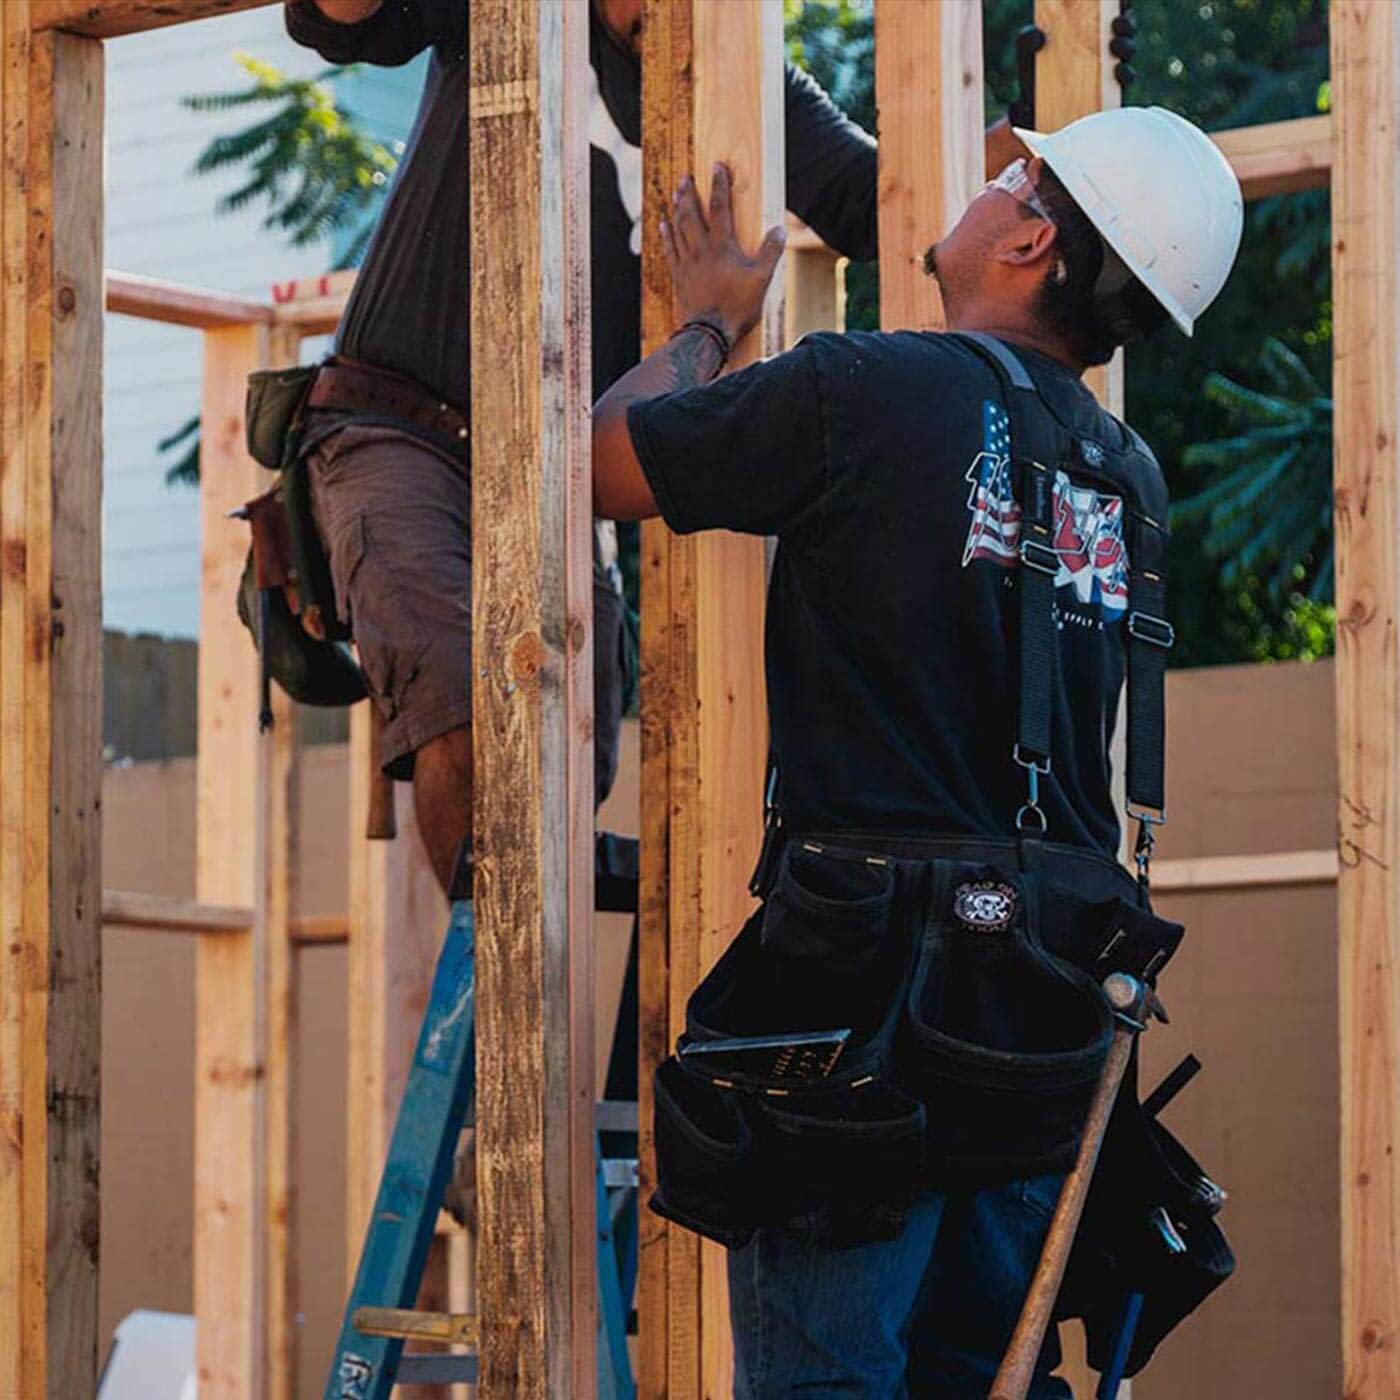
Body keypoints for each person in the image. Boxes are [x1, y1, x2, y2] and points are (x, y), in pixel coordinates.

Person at [593, 108, 1243, 1397]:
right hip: (1041, 1009)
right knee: (978, 1375)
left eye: (1013, 174)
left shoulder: (867, 388)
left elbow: (603, 464)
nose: (985, 185)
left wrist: (707, 321)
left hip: (863, 1001)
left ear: (1033, 233)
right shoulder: (1125, 474)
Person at [284, 0, 880, 897]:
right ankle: (487, 1015)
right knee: (470, 710)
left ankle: (543, 992)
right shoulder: (509, 10)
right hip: (396, 423)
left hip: (553, 471)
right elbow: (335, 19)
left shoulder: (747, 81)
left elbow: (886, 202)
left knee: (566, 763)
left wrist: (1039, 145)